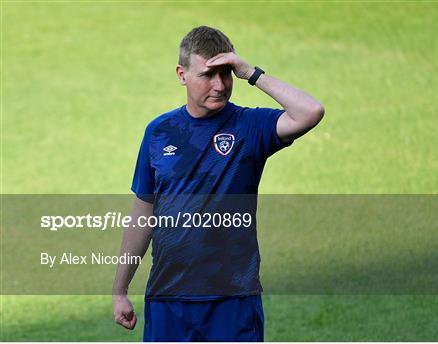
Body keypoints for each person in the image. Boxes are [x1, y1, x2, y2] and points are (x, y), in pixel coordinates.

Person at [112, 25, 324, 342]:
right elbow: (143, 214)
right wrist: (119, 289)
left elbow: (310, 111)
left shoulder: (249, 126)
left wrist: (250, 72)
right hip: (169, 298)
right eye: (207, 75)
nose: (220, 85)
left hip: (233, 300)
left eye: (226, 73)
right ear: (182, 75)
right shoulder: (159, 132)